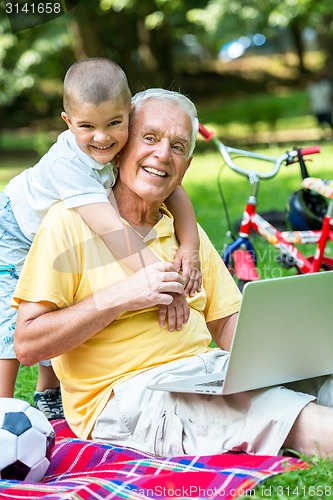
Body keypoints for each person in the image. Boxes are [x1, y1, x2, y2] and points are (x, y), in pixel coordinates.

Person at [13, 88, 333, 458]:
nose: (163, 155)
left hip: (206, 373)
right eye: (149, 138)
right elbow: (28, 344)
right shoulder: (68, 222)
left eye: (178, 147)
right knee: (283, 414)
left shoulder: (185, 237)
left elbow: (227, 324)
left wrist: (290, 348)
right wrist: (121, 296)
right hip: (126, 396)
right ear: (121, 148)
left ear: (186, 166)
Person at [0, 59, 201, 419]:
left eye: (113, 124)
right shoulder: (70, 166)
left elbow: (175, 190)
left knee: (61, 300)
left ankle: (48, 394)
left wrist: (190, 245)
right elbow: (114, 233)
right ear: (67, 122)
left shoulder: (119, 143)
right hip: (12, 232)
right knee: (11, 320)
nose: (102, 137)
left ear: (130, 114)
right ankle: (2, 408)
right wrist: (166, 285)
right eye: (87, 127)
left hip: (50, 231)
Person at [306, 72, 333, 139]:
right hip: (317, 107)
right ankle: (324, 135)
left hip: (325, 107)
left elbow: (330, 97)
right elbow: (310, 98)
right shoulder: (311, 87)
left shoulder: (325, 86)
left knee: (329, 121)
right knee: (320, 122)